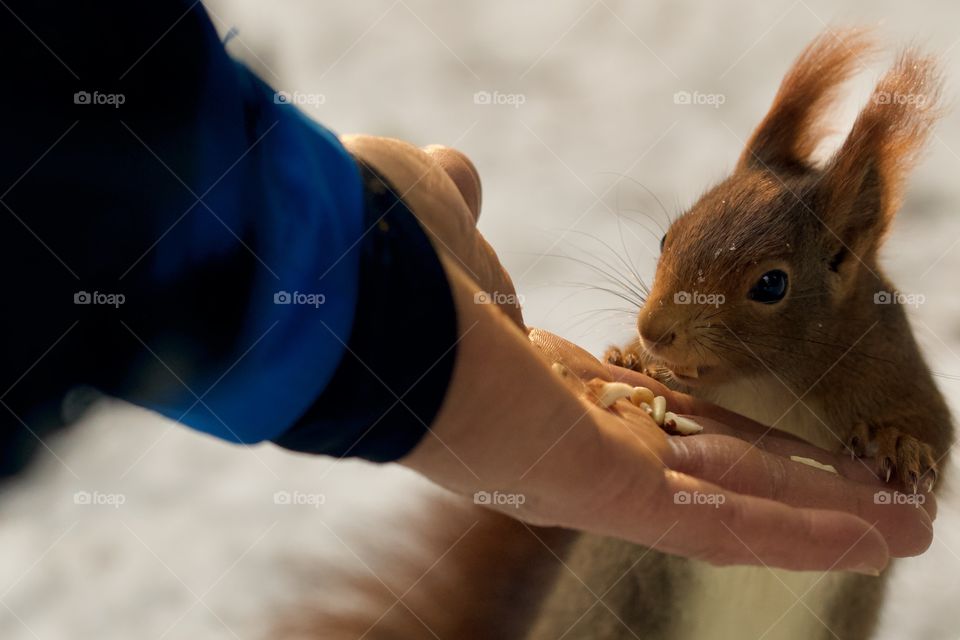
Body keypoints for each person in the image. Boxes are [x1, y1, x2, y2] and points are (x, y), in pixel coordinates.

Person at [1, 1, 931, 575]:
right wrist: (355, 278)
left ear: (848, 254)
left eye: (764, 288)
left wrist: (361, 272)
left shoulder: (864, 335)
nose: (651, 323)